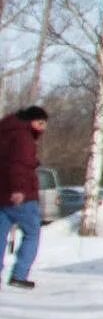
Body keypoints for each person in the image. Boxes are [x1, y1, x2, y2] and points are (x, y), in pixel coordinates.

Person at [0, 103, 48, 289]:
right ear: (33, 121)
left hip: (2, 194)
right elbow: (20, 165)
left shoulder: (5, 132)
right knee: (32, 233)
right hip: (22, 195)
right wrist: (19, 189)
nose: (43, 129)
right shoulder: (24, 138)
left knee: (1, 233)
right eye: (42, 124)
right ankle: (19, 274)